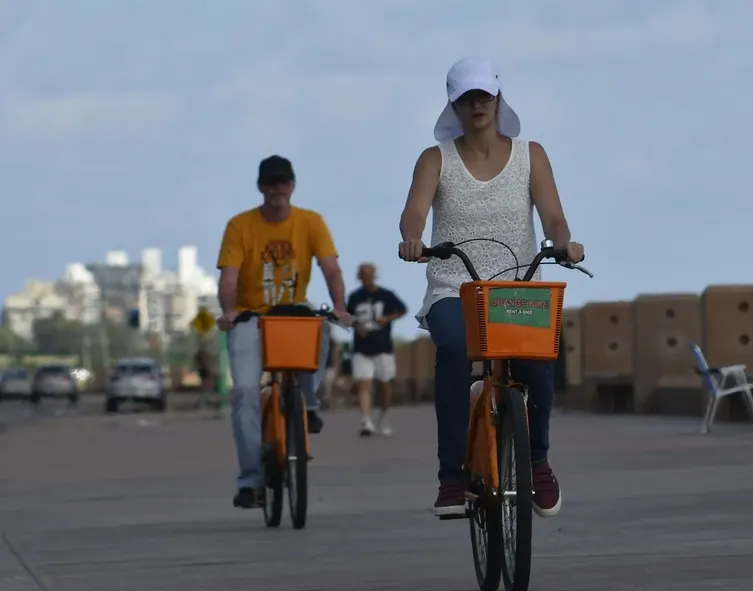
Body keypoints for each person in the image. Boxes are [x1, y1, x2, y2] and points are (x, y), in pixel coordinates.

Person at [398, 57, 585, 518]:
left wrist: (564, 244)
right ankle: (451, 476)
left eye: (484, 95)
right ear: (453, 105)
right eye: (466, 98)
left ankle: (537, 460)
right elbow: (414, 213)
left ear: (499, 99)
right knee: (455, 351)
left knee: (538, 365)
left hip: (516, 289)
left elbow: (553, 216)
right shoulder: (435, 159)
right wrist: (412, 240)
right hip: (454, 287)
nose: (477, 104)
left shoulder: (531, 155)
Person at [215, 155, 351, 509]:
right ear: (261, 186)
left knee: (320, 327)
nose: (278, 189)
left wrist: (339, 306)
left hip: (292, 313)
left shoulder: (310, 222)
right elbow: (228, 276)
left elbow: (331, 268)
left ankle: (307, 404)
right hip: (250, 318)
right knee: (245, 391)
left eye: (283, 182)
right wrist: (229, 311)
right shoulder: (239, 226)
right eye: (271, 183)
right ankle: (250, 481)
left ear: (292, 185)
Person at [346, 263, 407, 436]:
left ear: (374, 275)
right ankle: (366, 420)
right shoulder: (354, 297)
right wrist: (356, 326)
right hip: (361, 347)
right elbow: (347, 316)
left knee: (384, 385)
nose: (365, 278)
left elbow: (402, 310)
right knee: (363, 384)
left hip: (383, 347)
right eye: (362, 274)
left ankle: (384, 417)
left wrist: (387, 318)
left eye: (368, 274)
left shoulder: (386, 295)